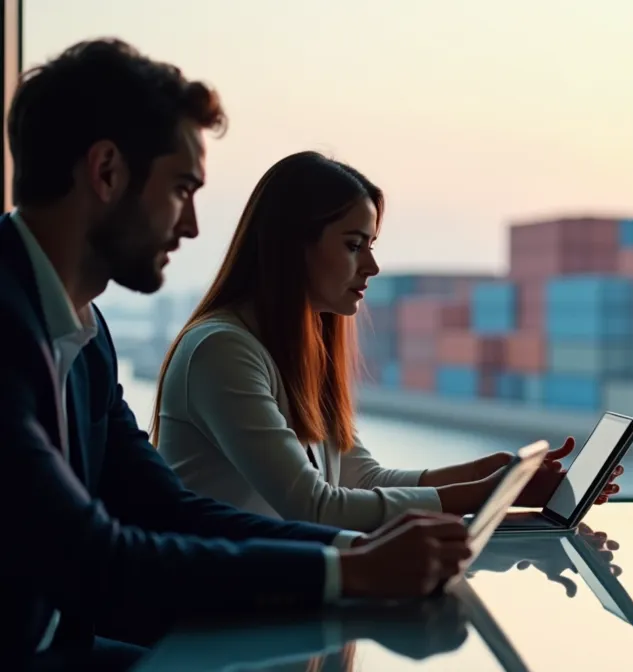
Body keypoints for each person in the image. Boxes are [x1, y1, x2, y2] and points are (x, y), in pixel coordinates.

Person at [1, 39, 471, 671]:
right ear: (107, 172)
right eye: (181, 188)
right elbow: (95, 558)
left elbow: (168, 508)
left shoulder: (86, 337)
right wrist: (344, 571)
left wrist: (349, 557)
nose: (192, 225)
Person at [150, 151, 622, 532]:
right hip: (210, 624)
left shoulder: (294, 350)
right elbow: (315, 508)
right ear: (292, 246)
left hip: (271, 600)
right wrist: (491, 493)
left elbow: (362, 480)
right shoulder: (221, 352)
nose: (372, 267)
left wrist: (492, 473)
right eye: (354, 245)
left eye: (371, 245)